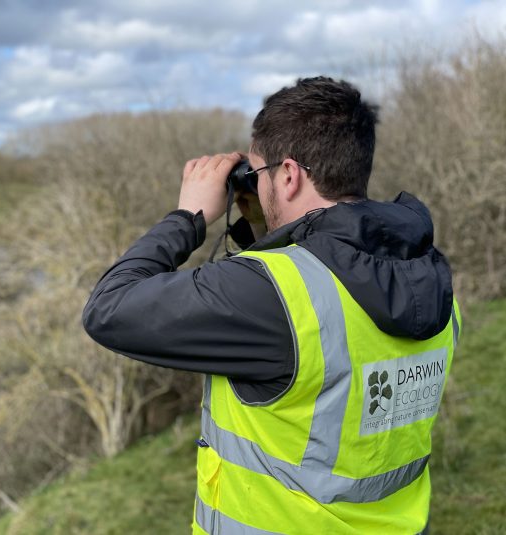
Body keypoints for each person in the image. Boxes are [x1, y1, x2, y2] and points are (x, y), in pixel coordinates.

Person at [82, 76, 460, 534]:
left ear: (288, 174)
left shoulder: (269, 295)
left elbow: (109, 308)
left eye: (259, 175)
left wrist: (188, 217)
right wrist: (267, 223)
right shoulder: (428, 276)